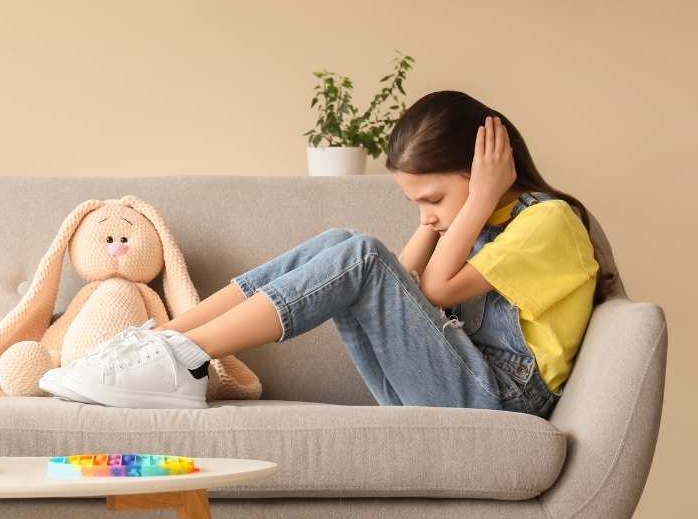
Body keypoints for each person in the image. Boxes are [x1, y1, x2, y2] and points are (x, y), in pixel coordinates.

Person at [41, 90, 612, 416]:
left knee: (361, 255)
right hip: (458, 381)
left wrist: (477, 201)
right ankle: (163, 343)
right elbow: (406, 282)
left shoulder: (548, 222)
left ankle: (180, 360)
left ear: (483, 172)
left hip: (498, 401)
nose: (430, 215)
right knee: (342, 245)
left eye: (434, 197)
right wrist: (440, 218)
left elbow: (436, 290)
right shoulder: (478, 221)